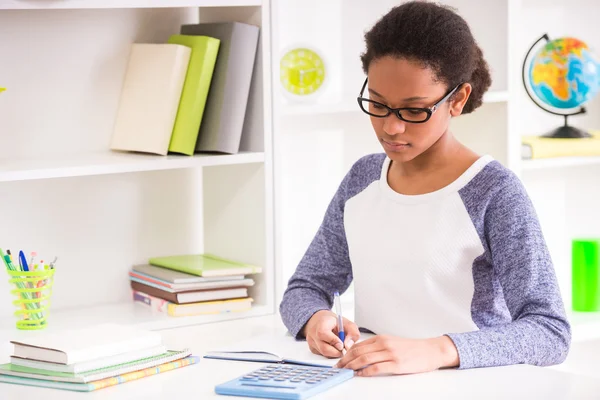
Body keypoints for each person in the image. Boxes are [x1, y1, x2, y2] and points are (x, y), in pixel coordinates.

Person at [279, 1, 570, 377]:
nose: (391, 128)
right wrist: (315, 319)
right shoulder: (363, 179)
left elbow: (549, 331)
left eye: (414, 111)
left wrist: (437, 350)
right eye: (378, 104)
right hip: (373, 384)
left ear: (458, 100)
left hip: (469, 387)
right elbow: (305, 286)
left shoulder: (493, 192)